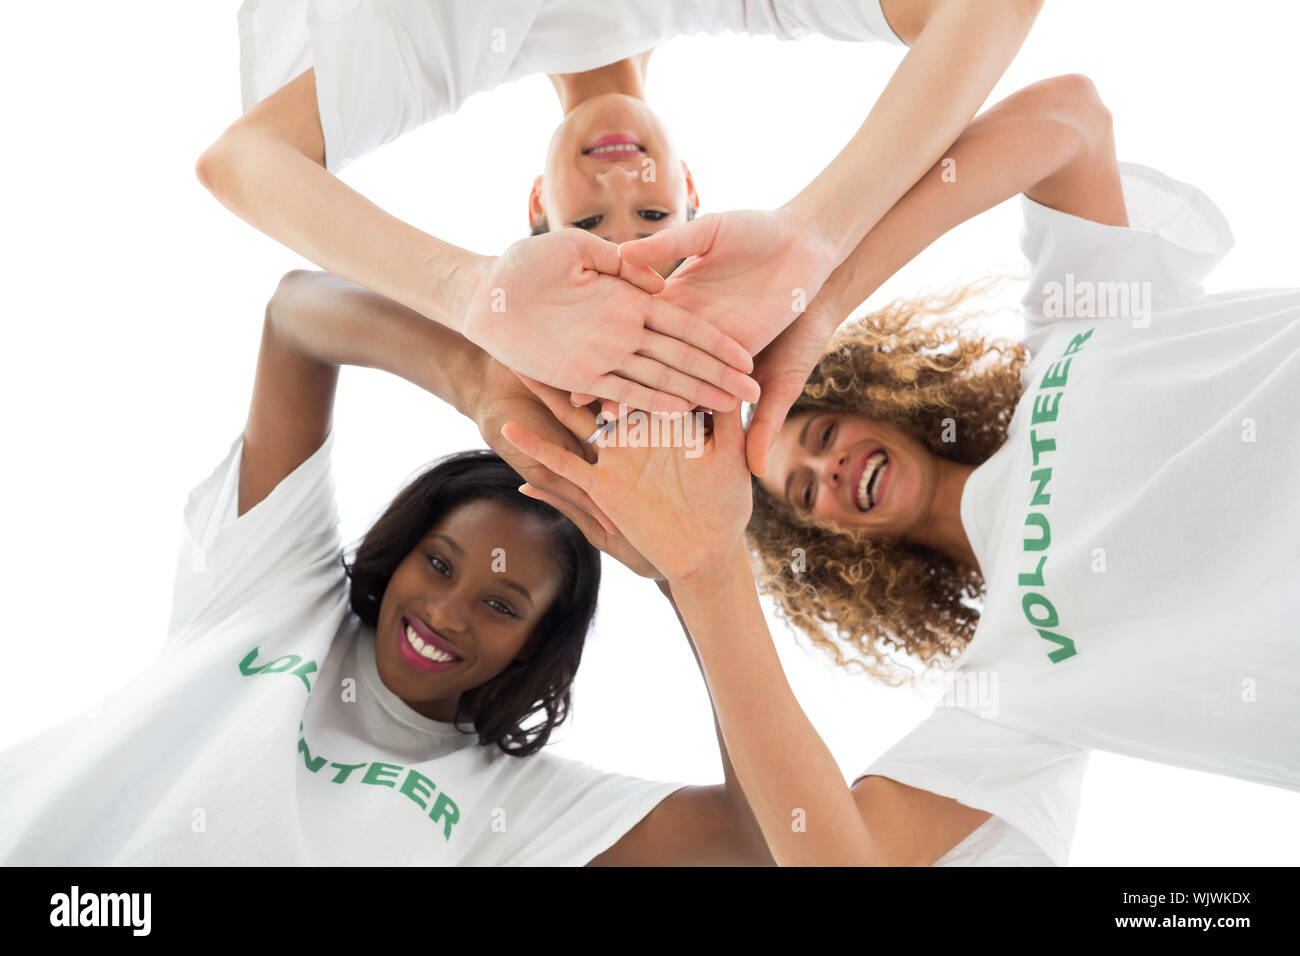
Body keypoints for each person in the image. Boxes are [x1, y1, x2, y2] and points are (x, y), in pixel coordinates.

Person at [500, 73, 1300, 865]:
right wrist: (708, 570)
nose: (830, 465)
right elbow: (846, 860)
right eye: (806, 490)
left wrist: (819, 284)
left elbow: (1071, 118)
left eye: (818, 431)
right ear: (840, 551)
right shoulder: (1012, 691)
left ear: (877, 400)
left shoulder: (1071, 331)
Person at [0, 271, 779, 866]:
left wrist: (690, 566)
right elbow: (296, 313)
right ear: (402, 548)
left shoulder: (508, 804)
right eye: (438, 563)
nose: (445, 613)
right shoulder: (278, 588)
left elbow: (757, 834)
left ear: (538, 645)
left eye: (503, 606)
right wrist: (474, 379)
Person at [199, 0, 1044, 480]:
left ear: (536, 200)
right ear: (694, 193)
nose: (618, 188)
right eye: (653, 223)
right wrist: (815, 236)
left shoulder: (440, 41)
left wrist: (470, 293)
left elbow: (241, 160)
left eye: (587, 228)